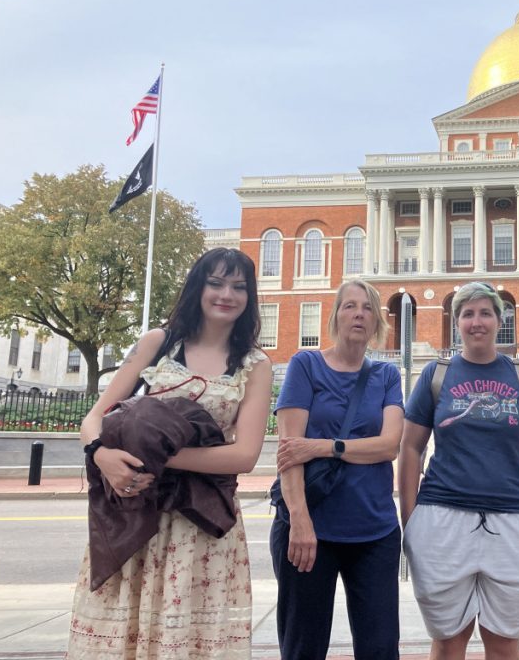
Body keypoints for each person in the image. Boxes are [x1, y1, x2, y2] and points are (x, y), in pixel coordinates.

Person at [68, 248, 272, 658]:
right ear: (198, 286)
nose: (226, 294)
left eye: (239, 286)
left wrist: (157, 457)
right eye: (216, 283)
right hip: (137, 514)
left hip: (201, 525)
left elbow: (244, 456)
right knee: (127, 633)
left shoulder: (255, 364)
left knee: (190, 641)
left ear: (249, 297)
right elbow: (93, 419)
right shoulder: (158, 343)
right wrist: (103, 455)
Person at [399, 281, 519, 660]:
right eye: (467, 313)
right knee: (449, 639)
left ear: (499, 320)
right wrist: (411, 521)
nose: (476, 321)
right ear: (456, 322)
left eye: (485, 312)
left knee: (503, 641)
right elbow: (410, 448)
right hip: (442, 516)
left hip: (515, 519)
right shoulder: (436, 375)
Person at [271, 279, 404, 660]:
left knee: (380, 648)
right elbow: (288, 452)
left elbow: (388, 446)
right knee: (304, 648)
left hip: (374, 531)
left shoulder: (386, 377)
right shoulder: (306, 365)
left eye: (366, 307)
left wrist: (324, 447)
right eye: (349, 306)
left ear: (377, 320)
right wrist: (299, 519)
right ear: (335, 317)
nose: (359, 313)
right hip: (310, 533)